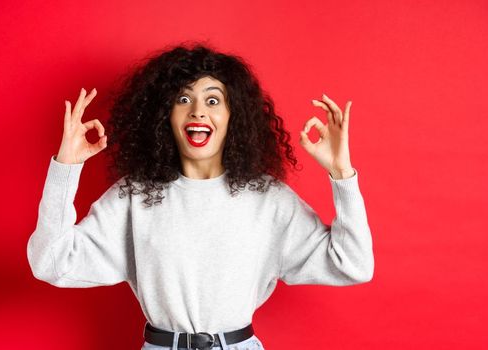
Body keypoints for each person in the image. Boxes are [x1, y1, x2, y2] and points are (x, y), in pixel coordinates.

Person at [27, 43, 374, 350]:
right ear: (165, 116)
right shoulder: (135, 197)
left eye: (213, 99)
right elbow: (51, 263)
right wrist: (65, 168)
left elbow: (353, 265)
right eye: (183, 98)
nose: (198, 111)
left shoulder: (268, 199)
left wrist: (342, 174)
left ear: (232, 116)